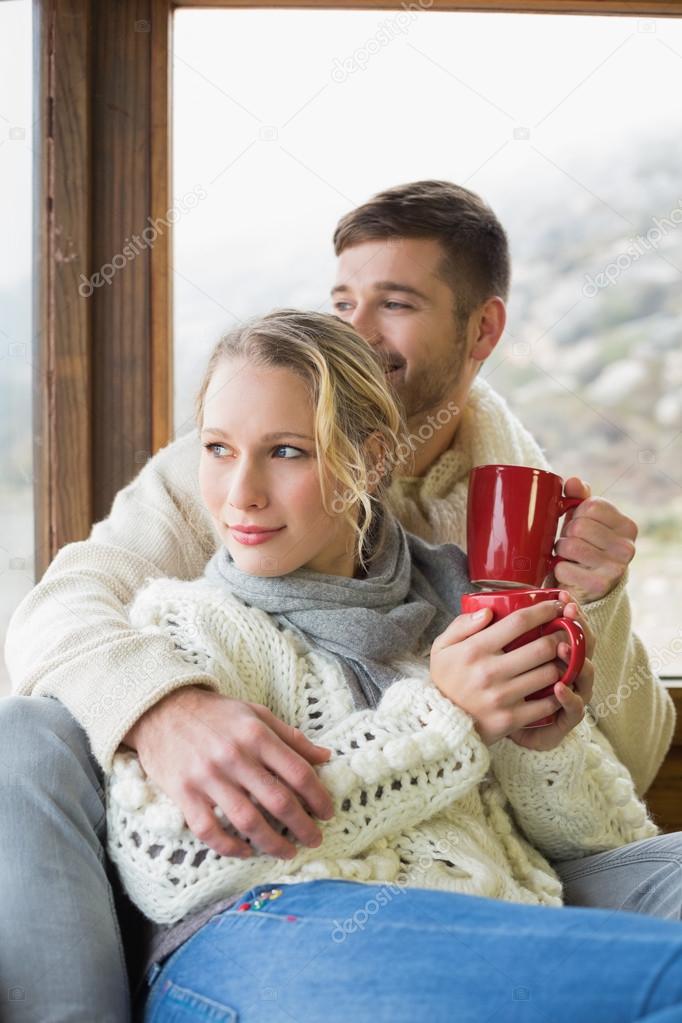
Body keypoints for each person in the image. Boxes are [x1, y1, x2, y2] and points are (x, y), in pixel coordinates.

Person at [1, 185, 678, 1020]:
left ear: (482, 331)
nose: (358, 329)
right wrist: (162, 706)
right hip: (285, 925)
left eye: (394, 303)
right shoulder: (195, 561)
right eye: (343, 300)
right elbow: (65, 610)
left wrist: (576, 636)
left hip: (481, 893)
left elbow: (611, 797)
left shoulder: (491, 517)